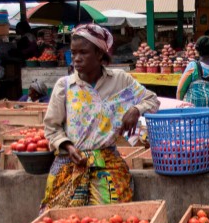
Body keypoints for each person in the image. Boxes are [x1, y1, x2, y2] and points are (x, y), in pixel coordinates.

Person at [41, 24, 158, 210]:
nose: (76, 59)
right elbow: (51, 127)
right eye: (73, 53)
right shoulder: (65, 86)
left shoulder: (119, 80)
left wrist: (136, 109)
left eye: (83, 53)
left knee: (111, 221)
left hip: (106, 162)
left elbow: (151, 100)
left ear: (99, 54)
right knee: (59, 222)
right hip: (70, 161)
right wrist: (68, 146)